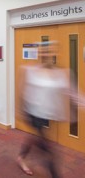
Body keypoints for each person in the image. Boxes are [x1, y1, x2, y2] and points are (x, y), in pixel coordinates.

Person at [16, 41, 77, 177]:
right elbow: (21, 92)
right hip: (32, 113)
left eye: (49, 51)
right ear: (39, 53)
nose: (46, 53)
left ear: (55, 53)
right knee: (49, 150)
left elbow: (72, 93)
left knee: (34, 137)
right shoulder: (29, 70)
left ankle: (21, 157)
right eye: (44, 51)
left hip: (47, 114)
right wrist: (19, 110)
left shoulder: (61, 73)